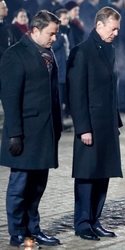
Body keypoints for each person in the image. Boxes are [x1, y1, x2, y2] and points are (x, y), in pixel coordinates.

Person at [0, 10, 62, 247]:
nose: (54, 38)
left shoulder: (47, 53)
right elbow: (10, 98)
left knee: (37, 186)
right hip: (25, 134)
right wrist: (15, 134)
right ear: (35, 30)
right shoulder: (14, 55)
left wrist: (56, 126)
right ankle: (17, 231)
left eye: (56, 34)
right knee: (19, 186)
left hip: (45, 132)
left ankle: (33, 229)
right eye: (51, 33)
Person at [67, 6, 123, 241]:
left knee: (103, 174)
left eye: (118, 29)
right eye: (113, 29)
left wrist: (116, 122)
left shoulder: (109, 50)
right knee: (87, 175)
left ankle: (95, 219)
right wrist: (83, 128)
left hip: (107, 124)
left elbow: (110, 89)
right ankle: (82, 223)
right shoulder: (82, 52)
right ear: (99, 26)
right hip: (90, 125)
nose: (116, 33)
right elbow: (76, 93)